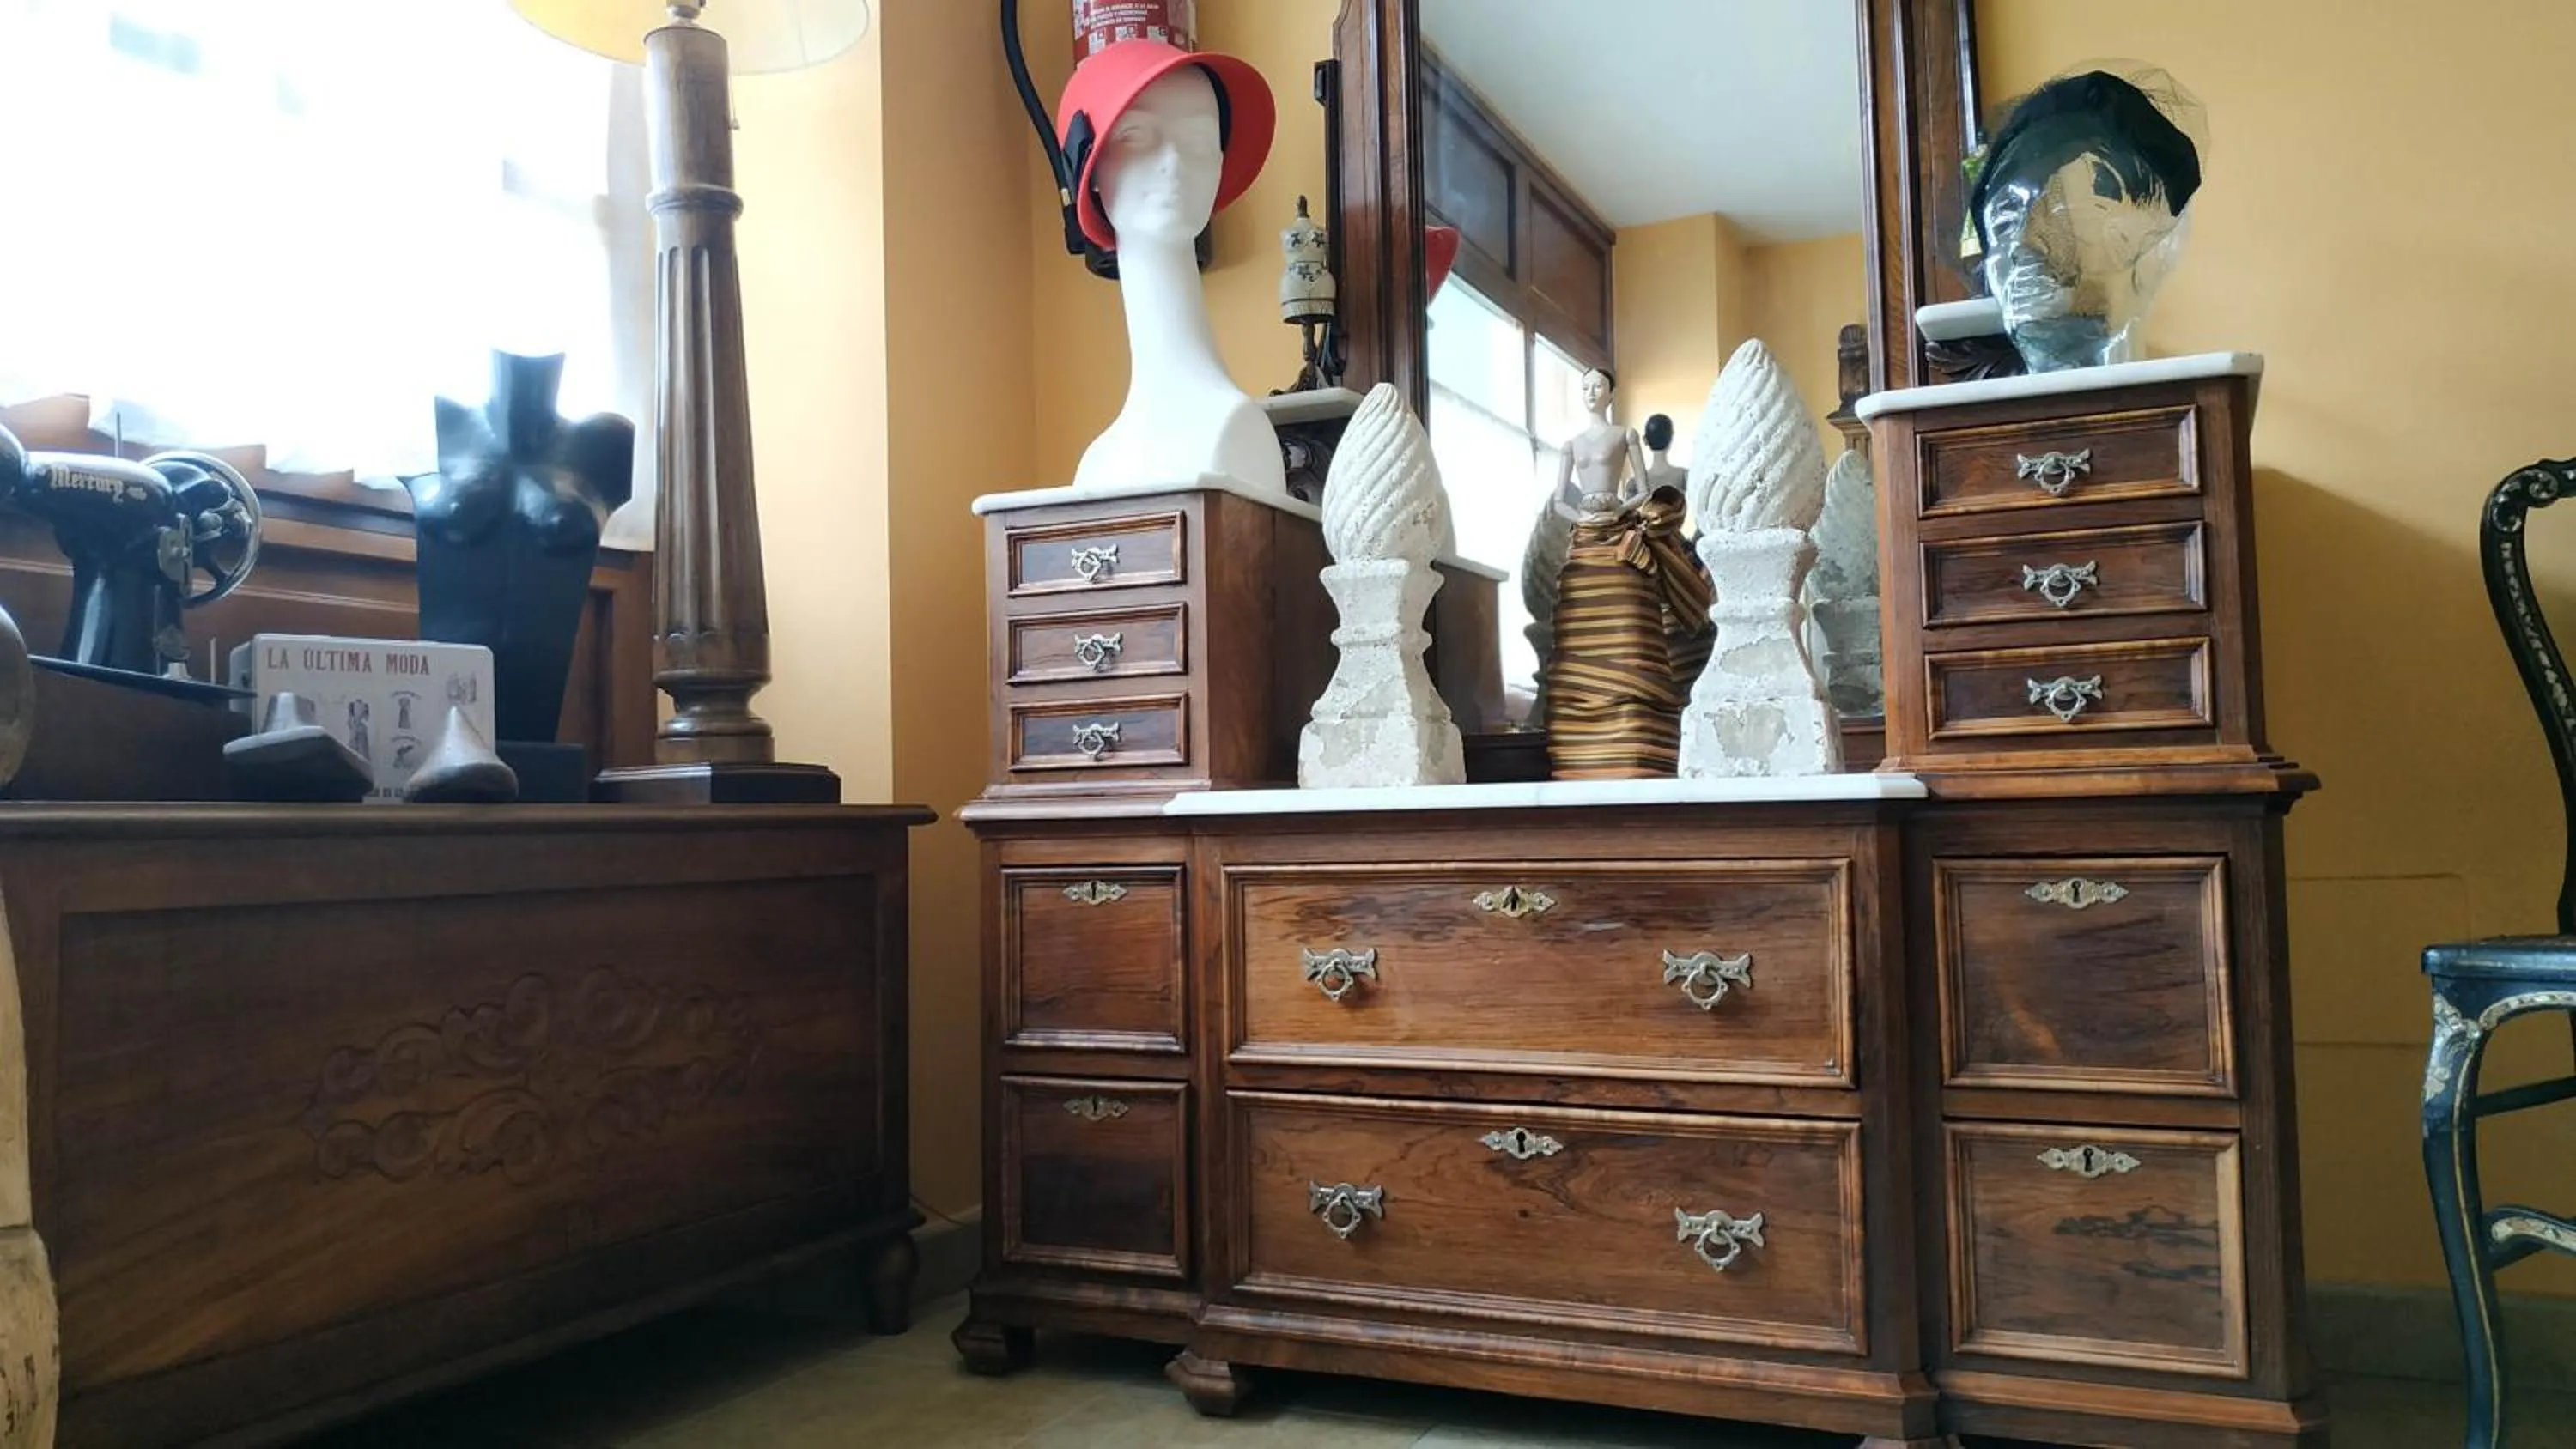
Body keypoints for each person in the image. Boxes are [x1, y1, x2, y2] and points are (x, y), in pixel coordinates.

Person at [1553, 368, 1649, 511]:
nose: (1591, 392)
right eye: (1585, 388)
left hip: (1613, 515)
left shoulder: (1625, 435)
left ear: (1612, 393)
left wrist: (1619, 512)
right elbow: (1559, 502)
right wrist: (1581, 520)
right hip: (1586, 518)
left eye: (1598, 386)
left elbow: (1644, 492)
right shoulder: (1571, 445)